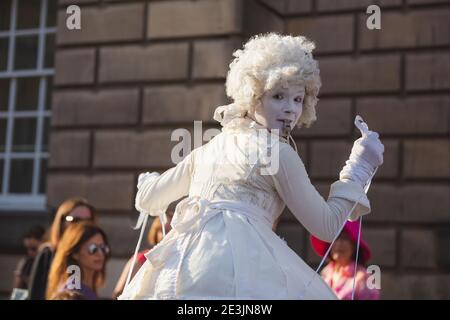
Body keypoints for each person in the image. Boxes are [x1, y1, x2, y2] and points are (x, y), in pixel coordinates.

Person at [119, 33, 384, 300]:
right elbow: (326, 226)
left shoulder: (208, 148)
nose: (291, 109)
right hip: (237, 274)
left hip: (180, 269)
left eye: (298, 99)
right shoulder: (279, 153)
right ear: (252, 96)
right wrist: (359, 168)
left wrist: (148, 182)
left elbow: (148, 199)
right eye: (278, 96)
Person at [28, 197, 96, 299]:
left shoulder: (94, 253)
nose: (81, 225)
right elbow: (35, 294)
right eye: (74, 220)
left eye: (88, 221)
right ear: (61, 222)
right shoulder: (48, 253)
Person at [112, 204, 175, 299]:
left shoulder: (177, 260)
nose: (168, 234)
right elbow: (119, 292)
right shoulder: (142, 258)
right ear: (155, 232)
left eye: (172, 231)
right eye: (164, 230)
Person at [310, 221, 380, 300]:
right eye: (336, 237)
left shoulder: (364, 278)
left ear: (354, 245)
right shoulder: (326, 272)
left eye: (345, 238)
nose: (339, 243)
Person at [46, 222, 110, 300]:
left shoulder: (86, 287)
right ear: (75, 253)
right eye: (93, 248)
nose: (100, 254)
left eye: (103, 248)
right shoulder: (71, 291)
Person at [12, 225, 46, 290]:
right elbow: (16, 289)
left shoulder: (48, 263)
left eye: (34, 249)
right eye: (26, 249)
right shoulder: (26, 262)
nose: (29, 253)